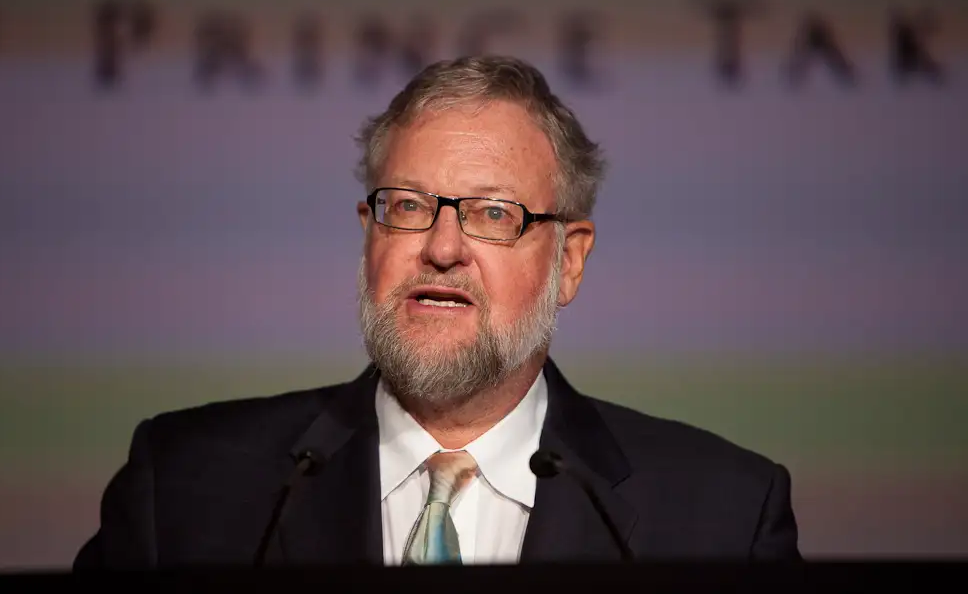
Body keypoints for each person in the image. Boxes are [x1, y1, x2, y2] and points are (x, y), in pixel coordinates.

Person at [74, 55, 800, 568]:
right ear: (370, 232)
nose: (443, 246)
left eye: (492, 212)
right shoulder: (184, 486)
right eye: (411, 207)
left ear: (569, 260)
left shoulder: (722, 514)